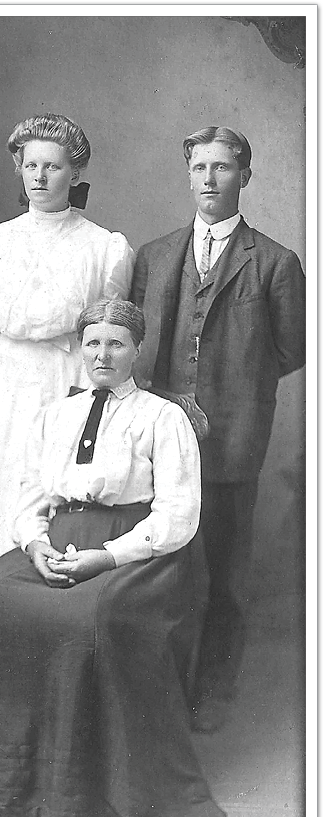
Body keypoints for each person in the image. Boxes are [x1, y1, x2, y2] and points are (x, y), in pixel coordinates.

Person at [0, 299, 226, 817]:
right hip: (61, 540)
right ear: (82, 348)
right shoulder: (58, 414)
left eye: (116, 343)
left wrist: (108, 556)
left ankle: (74, 790)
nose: (103, 354)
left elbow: (178, 517)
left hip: (137, 552)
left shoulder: (163, 417)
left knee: (89, 618)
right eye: (93, 342)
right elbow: (31, 493)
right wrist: (35, 544)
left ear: (138, 349)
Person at [130, 126, 306, 732]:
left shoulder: (277, 262)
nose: (210, 178)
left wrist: (230, 387)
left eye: (223, 168)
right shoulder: (153, 256)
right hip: (159, 432)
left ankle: (214, 689)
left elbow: (292, 349)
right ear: (188, 175)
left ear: (245, 177)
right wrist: (173, 398)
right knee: (161, 559)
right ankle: (163, 679)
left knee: (226, 568)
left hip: (233, 435)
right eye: (200, 167)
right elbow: (137, 344)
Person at [0, 113, 135, 597]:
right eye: (30, 165)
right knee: (3, 481)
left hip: (68, 376)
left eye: (52, 167)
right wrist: (23, 351)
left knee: (56, 481)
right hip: (9, 381)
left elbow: (108, 324)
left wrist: (63, 353)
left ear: (74, 173)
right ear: (19, 169)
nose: (39, 177)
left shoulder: (105, 247)